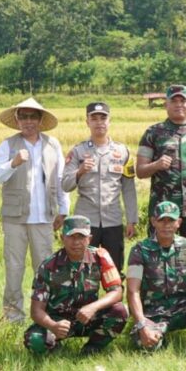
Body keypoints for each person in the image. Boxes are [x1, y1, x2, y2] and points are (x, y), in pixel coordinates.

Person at [0, 97, 69, 324]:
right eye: (23, 116)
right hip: (15, 218)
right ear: (17, 119)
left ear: (41, 120)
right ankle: (13, 316)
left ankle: (44, 315)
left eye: (33, 116)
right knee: (14, 268)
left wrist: (63, 209)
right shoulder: (8, 145)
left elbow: (60, 178)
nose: (28, 121)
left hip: (44, 219)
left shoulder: (53, 144)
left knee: (44, 269)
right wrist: (12, 163)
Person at [24, 216, 130, 356]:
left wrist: (93, 307)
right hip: (58, 321)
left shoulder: (100, 257)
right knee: (33, 339)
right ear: (62, 238)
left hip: (88, 317)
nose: (76, 242)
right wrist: (53, 326)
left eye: (81, 237)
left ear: (89, 239)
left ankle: (92, 349)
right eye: (71, 237)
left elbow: (117, 292)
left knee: (120, 311)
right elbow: (36, 311)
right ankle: (57, 351)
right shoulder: (48, 266)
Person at [126, 201, 186, 351]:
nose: (166, 225)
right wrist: (141, 324)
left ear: (179, 222)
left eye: (171, 220)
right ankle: (157, 338)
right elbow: (133, 291)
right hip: (153, 313)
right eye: (161, 220)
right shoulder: (140, 250)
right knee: (148, 346)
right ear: (153, 222)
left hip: (183, 308)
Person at [135, 85, 186, 252]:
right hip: (163, 213)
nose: (179, 104)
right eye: (174, 101)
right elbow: (140, 171)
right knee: (158, 258)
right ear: (166, 104)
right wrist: (156, 165)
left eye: (183, 100)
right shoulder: (153, 133)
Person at [62, 101, 138, 270]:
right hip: (86, 223)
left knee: (115, 269)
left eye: (103, 118)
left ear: (109, 121)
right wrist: (80, 171)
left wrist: (132, 219)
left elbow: (128, 188)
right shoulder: (78, 152)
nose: (99, 122)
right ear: (87, 122)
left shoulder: (122, 152)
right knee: (83, 270)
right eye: (94, 118)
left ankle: (115, 297)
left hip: (113, 220)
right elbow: (65, 185)